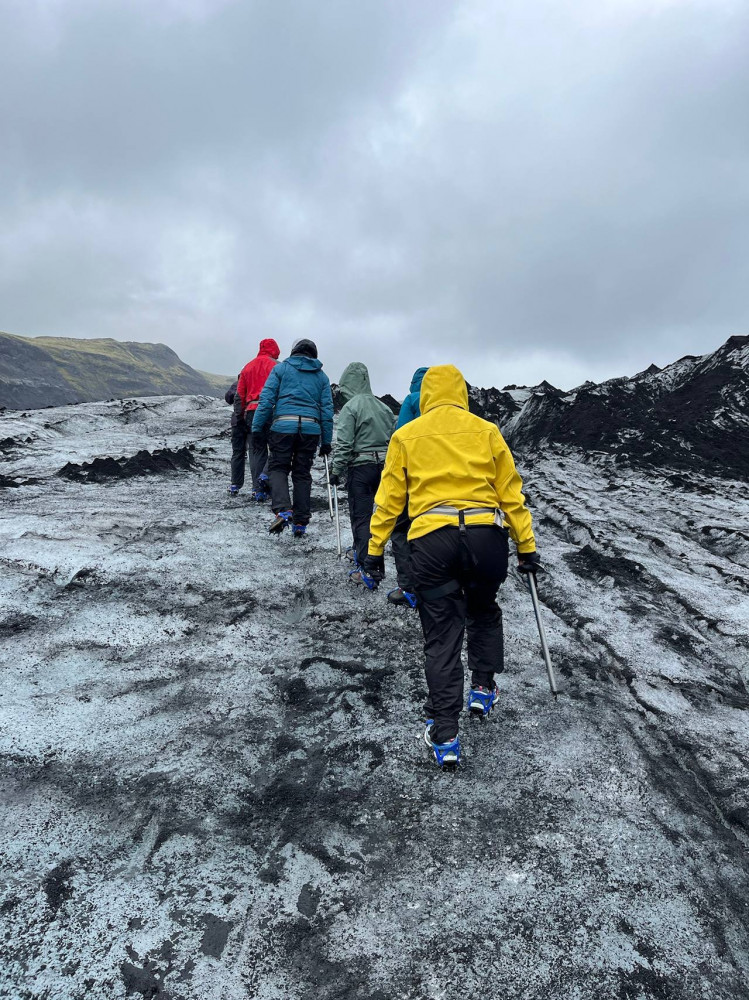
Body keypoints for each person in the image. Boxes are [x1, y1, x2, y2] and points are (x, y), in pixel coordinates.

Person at [360, 364, 540, 767]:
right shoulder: (487, 431)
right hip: (485, 538)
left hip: (431, 540)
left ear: (424, 395)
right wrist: (526, 546)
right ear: (462, 392)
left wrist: (374, 550)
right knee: (483, 609)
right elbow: (511, 493)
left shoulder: (406, 435)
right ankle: (482, 689)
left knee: (441, 635)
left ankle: (445, 735)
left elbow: (389, 498)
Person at [252, 339, 334, 537]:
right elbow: (327, 410)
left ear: (294, 351)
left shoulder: (281, 370)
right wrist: (326, 441)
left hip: (282, 426)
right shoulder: (322, 377)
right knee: (302, 474)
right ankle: (300, 523)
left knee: (278, 467)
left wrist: (256, 428)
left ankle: (283, 509)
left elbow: (267, 400)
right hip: (310, 429)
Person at [328, 362, 396, 586]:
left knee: (362, 517)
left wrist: (336, 471)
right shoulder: (384, 407)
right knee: (380, 517)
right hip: (384, 468)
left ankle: (368, 569)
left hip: (360, 468)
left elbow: (345, 444)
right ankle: (374, 560)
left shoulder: (351, 407)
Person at [386, 366, 429, 608]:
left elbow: (399, 436)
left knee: (402, 530)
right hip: (441, 483)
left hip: (411, 476)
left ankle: (408, 587)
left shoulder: (412, 400)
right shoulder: (453, 409)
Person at [228, 338, 281, 499]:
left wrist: (240, 416)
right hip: (272, 411)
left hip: (251, 412)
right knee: (277, 448)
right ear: (275, 350)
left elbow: (239, 395)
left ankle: (258, 489)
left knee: (257, 450)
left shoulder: (248, 367)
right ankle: (265, 478)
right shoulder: (278, 367)